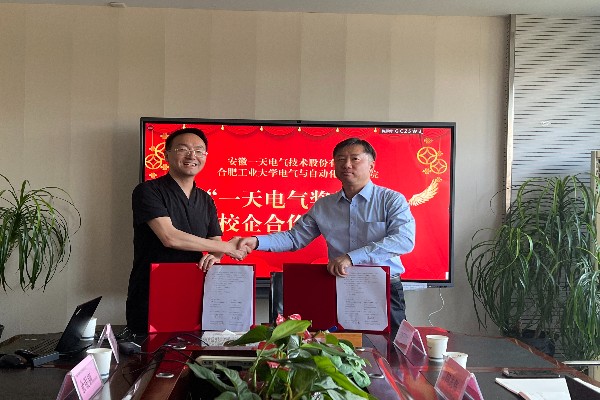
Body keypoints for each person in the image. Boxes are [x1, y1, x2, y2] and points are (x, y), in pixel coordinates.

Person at [237, 137, 416, 335]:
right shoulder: (324, 206)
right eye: (340, 159)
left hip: (382, 288)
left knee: (391, 347)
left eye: (355, 159)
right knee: (342, 345)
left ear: (371, 165)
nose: (347, 165)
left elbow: (404, 240)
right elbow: (294, 238)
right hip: (341, 286)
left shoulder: (391, 200)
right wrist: (256, 241)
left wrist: (351, 258)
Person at [126, 127, 247, 334]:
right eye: (183, 149)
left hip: (195, 289)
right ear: (166, 155)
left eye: (199, 151)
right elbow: (169, 237)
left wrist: (216, 255)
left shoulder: (206, 199)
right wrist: (227, 247)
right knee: (151, 351)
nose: (192, 156)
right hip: (153, 291)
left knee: (194, 348)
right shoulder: (148, 191)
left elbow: (215, 240)